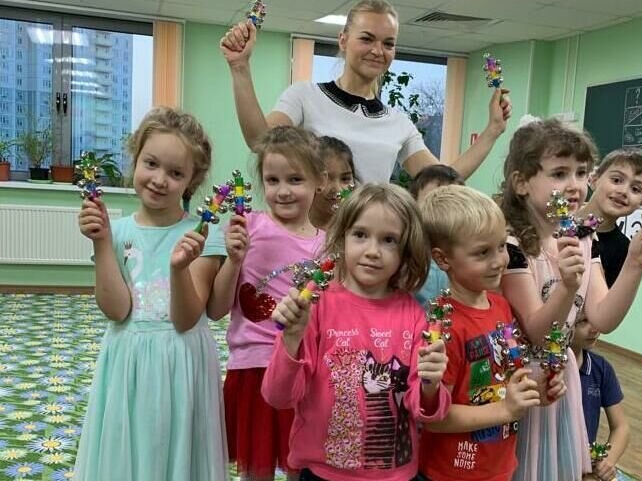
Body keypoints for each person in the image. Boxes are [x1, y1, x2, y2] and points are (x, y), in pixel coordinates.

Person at [498, 118, 642, 481]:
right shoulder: (511, 245)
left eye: (580, 173)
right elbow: (537, 332)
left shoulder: (584, 237)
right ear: (522, 182)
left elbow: (602, 317)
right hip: (519, 382)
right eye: (559, 173)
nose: (574, 185)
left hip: (562, 379)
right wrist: (567, 285)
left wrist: (635, 264)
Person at [74, 107, 229, 480]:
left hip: (182, 363)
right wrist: (102, 242)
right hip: (127, 362)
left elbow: (187, 318)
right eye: (151, 164)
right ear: (136, 160)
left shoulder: (203, 234)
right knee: (129, 453)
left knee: (178, 453)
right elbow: (117, 310)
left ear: (192, 181)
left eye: (176, 173)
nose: (160, 180)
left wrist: (179, 268)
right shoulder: (118, 232)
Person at [262, 183, 451, 481]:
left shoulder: (415, 317)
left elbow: (424, 410)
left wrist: (431, 384)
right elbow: (278, 397)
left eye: (389, 240)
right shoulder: (315, 307)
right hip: (322, 474)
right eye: (360, 235)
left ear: (406, 251)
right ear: (342, 238)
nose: (372, 252)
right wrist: (291, 339)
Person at [219, 0, 511, 184]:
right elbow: (260, 141)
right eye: (367, 39)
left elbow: (443, 181)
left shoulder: (398, 123)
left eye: (388, 43)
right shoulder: (304, 97)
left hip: (366, 246)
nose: (377, 51)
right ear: (343, 40)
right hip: (310, 242)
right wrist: (240, 68)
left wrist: (493, 130)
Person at [418, 185, 563, 481]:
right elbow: (434, 419)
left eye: (501, 246)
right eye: (482, 252)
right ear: (443, 259)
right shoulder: (442, 326)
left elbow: (508, 376)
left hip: (499, 465)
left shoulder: (501, 307)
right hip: (451, 473)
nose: (499, 260)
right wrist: (505, 410)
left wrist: (537, 389)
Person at [207, 126, 327, 481]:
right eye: (272, 180)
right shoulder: (248, 227)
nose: (283, 191)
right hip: (253, 366)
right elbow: (218, 308)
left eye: (295, 179)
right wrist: (233, 259)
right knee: (255, 467)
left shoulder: (326, 245)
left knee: (298, 465)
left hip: (300, 370)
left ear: (319, 181)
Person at [579, 148, 642, 287]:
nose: (623, 191)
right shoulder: (557, 221)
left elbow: (608, 300)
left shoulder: (624, 249)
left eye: (635, 189)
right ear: (594, 179)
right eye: (616, 180)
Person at [571, 312, 630, 481]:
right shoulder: (546, 370)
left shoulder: (601, 369)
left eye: (596, 319)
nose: (595, 329)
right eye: (583, 321)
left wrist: (608, 460)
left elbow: (621, 427)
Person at [409, 164, 464, 307]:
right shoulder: (404, 257)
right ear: (413, 204)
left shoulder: (467, 255)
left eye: (454, 202)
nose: (443, 210)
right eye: (433, 201)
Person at [310, 136, 357, 230]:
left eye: (345, 179)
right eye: (326, 179)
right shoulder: (287, 228)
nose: (337, 189)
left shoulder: (359, 228)